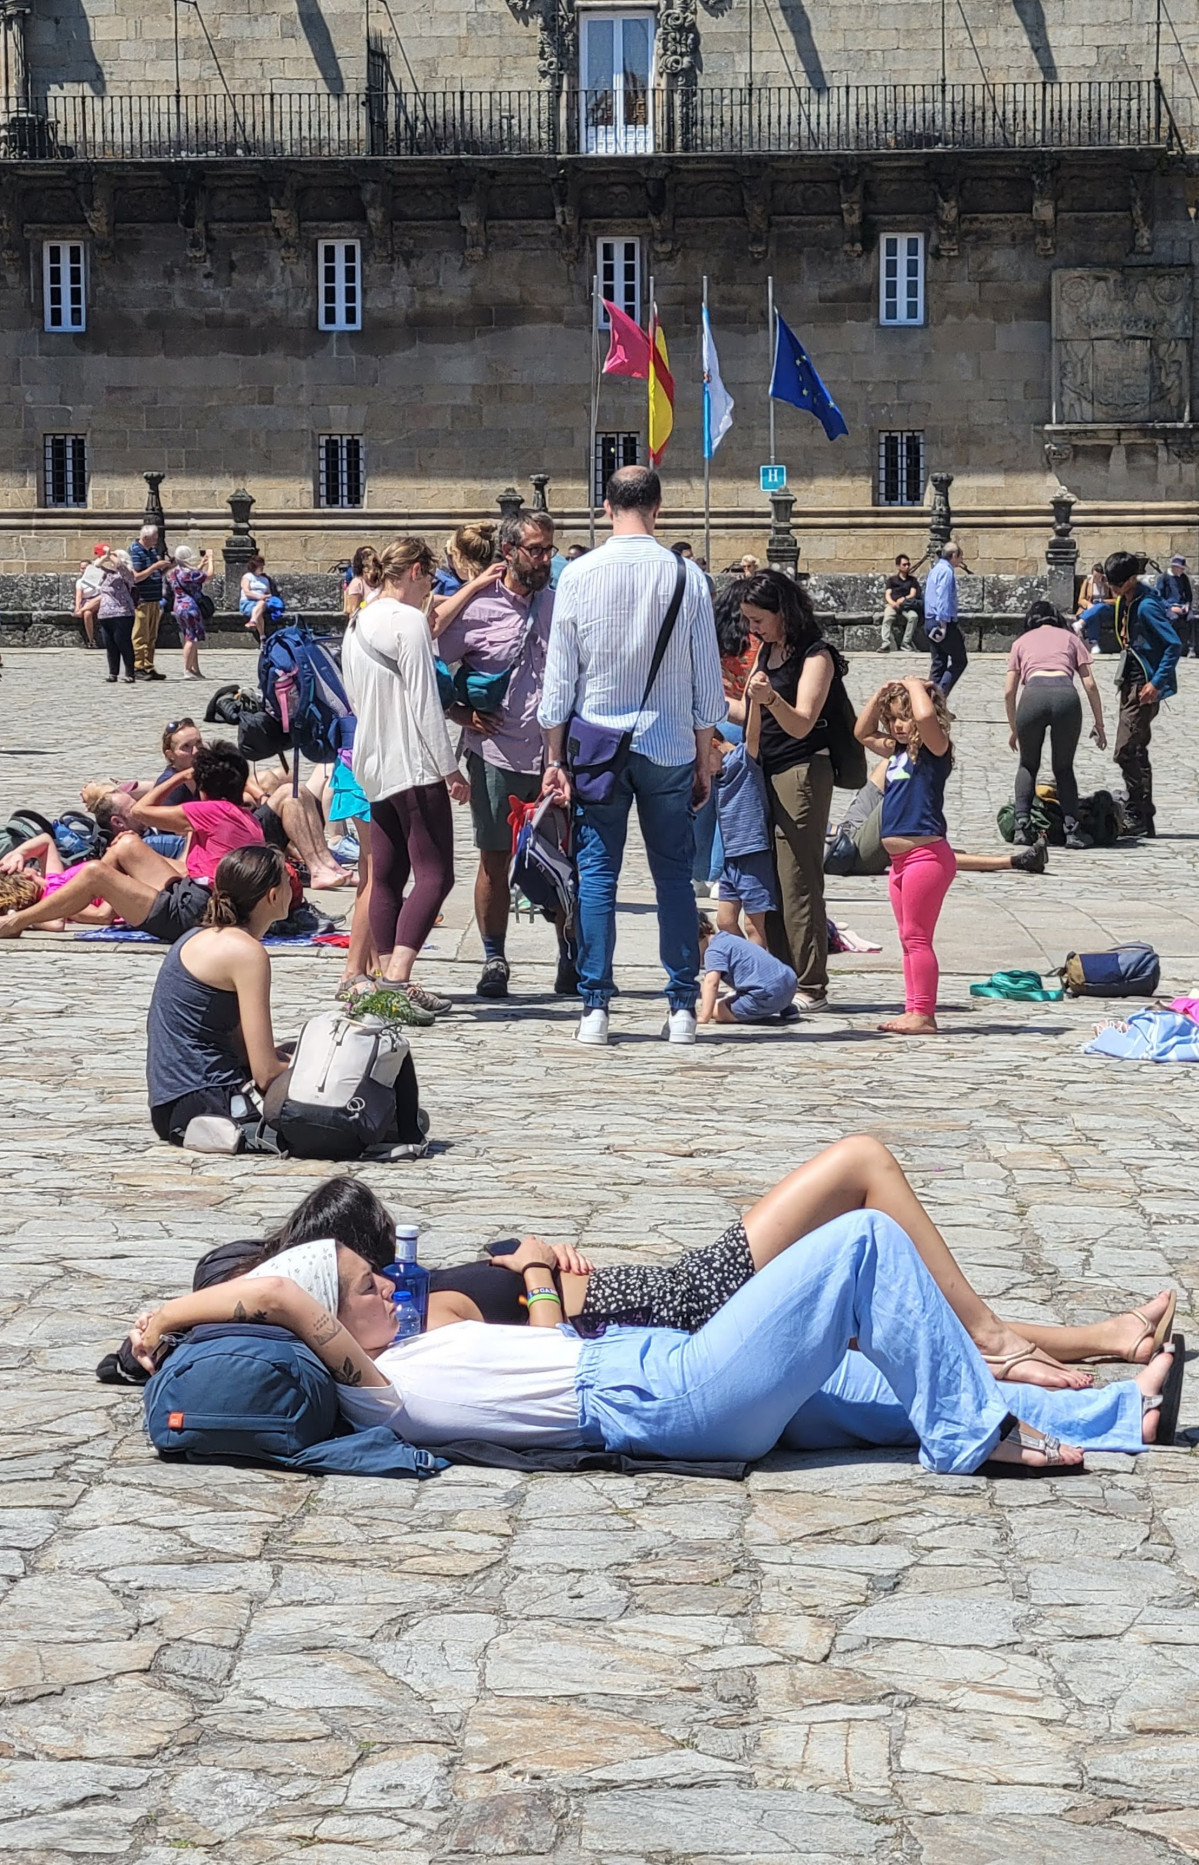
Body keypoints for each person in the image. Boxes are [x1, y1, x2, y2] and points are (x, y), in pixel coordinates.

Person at [128, 1200, 1182, 1474]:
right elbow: (291, 1306)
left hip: (659, 1389)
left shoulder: (398, 1362)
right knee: (859, 1243)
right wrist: (171, 1315)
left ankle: (1110, 1409)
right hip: (665, 1395)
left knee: (867, 1382)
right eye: (368, 1285)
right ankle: (973, 1434)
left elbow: (307, 1307)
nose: (386, 1288)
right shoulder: (375, 1387)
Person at [539, 465, 726, 1047]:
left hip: (598, 746)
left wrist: (553, 756)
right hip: (668, 743)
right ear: (659, 507)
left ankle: (595, 1005)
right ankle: (681, 1009)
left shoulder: (577, 574)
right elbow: (705, 679)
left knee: (598, 875)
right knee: (673, 876)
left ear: (605, 507)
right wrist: (705, 752)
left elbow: (559, 678)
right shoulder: (686, 575)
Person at [340, 536, 469, 1017]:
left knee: (389, 875)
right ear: (416, 571)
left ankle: (380, 980)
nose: (430, 591)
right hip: (413, 762)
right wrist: (449, 769)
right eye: (430, 580)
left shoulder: (358, 620)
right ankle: (397, 980)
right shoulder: (407, 621)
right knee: (436, 875)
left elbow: (355, 696)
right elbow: (424, 703)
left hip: (372, 763)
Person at [435, 509, 560, 1000]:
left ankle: (568, 954)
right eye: (536, 549)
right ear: (509, 552)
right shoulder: (478, 606)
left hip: (553, 754)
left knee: (563, 858)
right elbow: (426, 664)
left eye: (549, 548)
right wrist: (459, 714)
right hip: (495, 753)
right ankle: (494, 956)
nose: (545, 558)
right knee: (495, 858)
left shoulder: (560, 603)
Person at [0, 741, 260, 944]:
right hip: (205, 898)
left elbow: (139, 811)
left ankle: (17, 921)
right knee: (127, 843)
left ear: (203, 789)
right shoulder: (248, 820)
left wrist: (178, 777)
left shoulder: (212, 810)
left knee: (94, 873)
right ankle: (97, 892)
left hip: (191, 911)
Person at [726, 569, 844, 1011]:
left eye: (759, 620)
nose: (752, 629)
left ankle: (811, 981)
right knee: (768, 875)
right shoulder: (767, 652)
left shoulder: (816, 657)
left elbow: (801, 722)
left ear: (783, 613)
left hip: (801, 770)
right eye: (749, 621)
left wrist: (771, 698)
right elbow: (751, 713)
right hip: (764, 767)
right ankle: (778, 973)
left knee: (797, 877)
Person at [145, 845, 294, 1147]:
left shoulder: (200, 934)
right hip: (210, 1100)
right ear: (273, 896)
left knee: (296, 1049)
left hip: (170, 1104)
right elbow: (265, 1073)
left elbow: (243, 1052)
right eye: (289, 880)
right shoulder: (247, 952)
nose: (294, 887)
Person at [856, 676, 955, 1037]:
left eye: (905, 717)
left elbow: (927, 719)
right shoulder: (897, 753)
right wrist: (880, 694)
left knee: (917, 937)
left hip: (926, 856)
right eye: (894, 718)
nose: (899, 725)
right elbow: (862, 733)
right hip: (899, 862)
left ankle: (924, 1013)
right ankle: (913, 1007)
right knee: (907, 937)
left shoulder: (934, 749)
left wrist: (916, 687)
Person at [1003, 600, 1107, 850]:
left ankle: (1022, 826)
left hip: (1032, 697)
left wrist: (1014, 727)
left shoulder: (1021, 642)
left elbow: (1009, 691)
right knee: (1063, 768)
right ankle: (1072, 831)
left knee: (1028, 765)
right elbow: (1090, 684)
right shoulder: (1071, 638)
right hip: (1065, 698)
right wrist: (1099, 724)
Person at [827, 762, 1048, 878]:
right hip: (849, 853)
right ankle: (1015, 861)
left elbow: (863, 733)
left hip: (845, 830)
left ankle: (923, 833)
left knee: (888, 765)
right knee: (922, 840)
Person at [1106, 549, 1182, 838]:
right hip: (1129, 683)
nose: (1111, 589)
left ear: (1129, 581)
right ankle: (1142, 816)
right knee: (1137, 750)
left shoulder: (1147, 606)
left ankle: (1139, 810)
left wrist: (1157, 682)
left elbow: (1173, 644)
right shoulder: (1127, 600)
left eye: (1115, 584)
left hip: (1144, 687)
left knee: (1124, 751)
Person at [709, 733, 776, 948]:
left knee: (753, 924)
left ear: (714, 744)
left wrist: (755, 702)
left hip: (752, 851)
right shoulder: (715, 775)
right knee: (724, 921)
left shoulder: (742, 758)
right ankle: (746, 963)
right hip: (731, 856)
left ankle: (758, 972)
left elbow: (753, 735)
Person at [697, 911, 796, 1026]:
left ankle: (767, 1008)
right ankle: (785, 1006)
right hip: (789, 983)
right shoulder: (728, 939)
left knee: (716, 1009)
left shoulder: (713, 951)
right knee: (763, 978)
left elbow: (711, 983)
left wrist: (704, 1016)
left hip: (766, 995)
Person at [94, 549, 146, 685]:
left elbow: (121, 566)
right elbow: (96, 565)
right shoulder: (107, 574)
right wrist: (105, 556)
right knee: (110, 645)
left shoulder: (126, 574)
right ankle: (113, 672)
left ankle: (129, 673)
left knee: (123, 643)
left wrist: (112, 556)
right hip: (105, 615)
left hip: (122, 613)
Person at [429, 523, 496, 625]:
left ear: (459, 556)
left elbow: (433, 627)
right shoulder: (499, 583)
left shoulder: (474, 587)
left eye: (451, 555)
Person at [129, 525, 171, 681]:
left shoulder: (151, 551)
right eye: (154, 538)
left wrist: (167, 567)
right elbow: (137, 577)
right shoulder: (135, 550)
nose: (156, 541)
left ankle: (148, 665)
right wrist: (155, 567)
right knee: (140, 635)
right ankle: (137, 666)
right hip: (142, 599)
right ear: (145, 538)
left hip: (154, 599)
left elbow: (156, 573)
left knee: (152, 636)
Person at [923, 542, 967, 693]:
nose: (961, 561)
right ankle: (939, 699)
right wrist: (943, 625)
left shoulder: (935, 569)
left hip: (929, 621)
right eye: (960, 557)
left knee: (938, 663)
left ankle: (927, 702)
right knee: (959, 660)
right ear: (953, 555)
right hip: (941, 622)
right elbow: (943, 598)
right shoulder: (947, 571)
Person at [168, 545, 214, 679]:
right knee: (191, 638)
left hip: (179, 605)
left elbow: (190, 579)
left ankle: (195, 669)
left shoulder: (175, 572)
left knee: (190, 636)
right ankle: (187, 669)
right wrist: (211, 559)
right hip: (190, 607)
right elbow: (209, 576)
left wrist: (201, 564)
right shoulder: (190, 573)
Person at [877, 553, 922, 652]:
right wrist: (892, 603)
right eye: (904, 564)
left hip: (906, 605)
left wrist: (903, 599)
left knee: (913, 617)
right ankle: (886, 643)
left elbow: (912, 594)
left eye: (908, 564)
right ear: (898, 566)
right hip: (893, 604)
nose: (907, 566)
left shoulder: (912, 580)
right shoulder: (892, 580)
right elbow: (888, 594)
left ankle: (906, 643)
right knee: (887, 617)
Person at [1157, 553, 1195, 661]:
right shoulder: (1163, 578)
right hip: (1169, 607)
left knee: (1191, 618)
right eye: (1180, 568)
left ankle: (1191, 648)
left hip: (1182, 606)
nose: (1182, 571)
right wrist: (1170, 607)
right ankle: (1170, 646)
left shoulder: (1183, 578)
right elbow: (1159, 597)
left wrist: (1187, 605)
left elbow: (1188, 596)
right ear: (1174, 567)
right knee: (1173, 618)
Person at [239, 554, 285, 639]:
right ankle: (262, 636)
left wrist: (265, 597)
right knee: (259, 609)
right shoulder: (247, 577)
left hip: (262, 603)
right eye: (260, 566)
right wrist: (259, 597)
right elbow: (247, 592)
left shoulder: (265, 579)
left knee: (261, 604)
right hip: (248, 602)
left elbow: (269, 593)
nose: (262, 568)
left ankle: (253, 621)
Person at [74, 545, 107, 649]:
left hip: (99, 601)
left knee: (102, 596)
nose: (83, 570)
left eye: (85, 568)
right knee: (87, 614)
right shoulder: (80, 582)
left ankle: (82, 610)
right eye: (82, 568)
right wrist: (77, 607)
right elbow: (79, 596)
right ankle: (91, 640)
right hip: (87, 603)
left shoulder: (100, 578)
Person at [1075, 561, 1112, 649]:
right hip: (1092, 608)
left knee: (1100, 605)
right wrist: (1088, 604)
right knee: (1094, 615)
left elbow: (1116, 599)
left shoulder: (1108, 584)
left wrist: (1103, 601)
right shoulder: (1087, 582)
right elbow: (1081, 600)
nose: (1097, 579)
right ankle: (1094, 642)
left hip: (1105, 608)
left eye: (1099, 576)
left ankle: (1081, 622)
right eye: (1095, 576)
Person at [342, 545, 382, 616]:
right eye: (374, 562)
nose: (377, 566)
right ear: (364, 567)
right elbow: (354, 612)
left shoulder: (382, 583)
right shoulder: (357, 583)